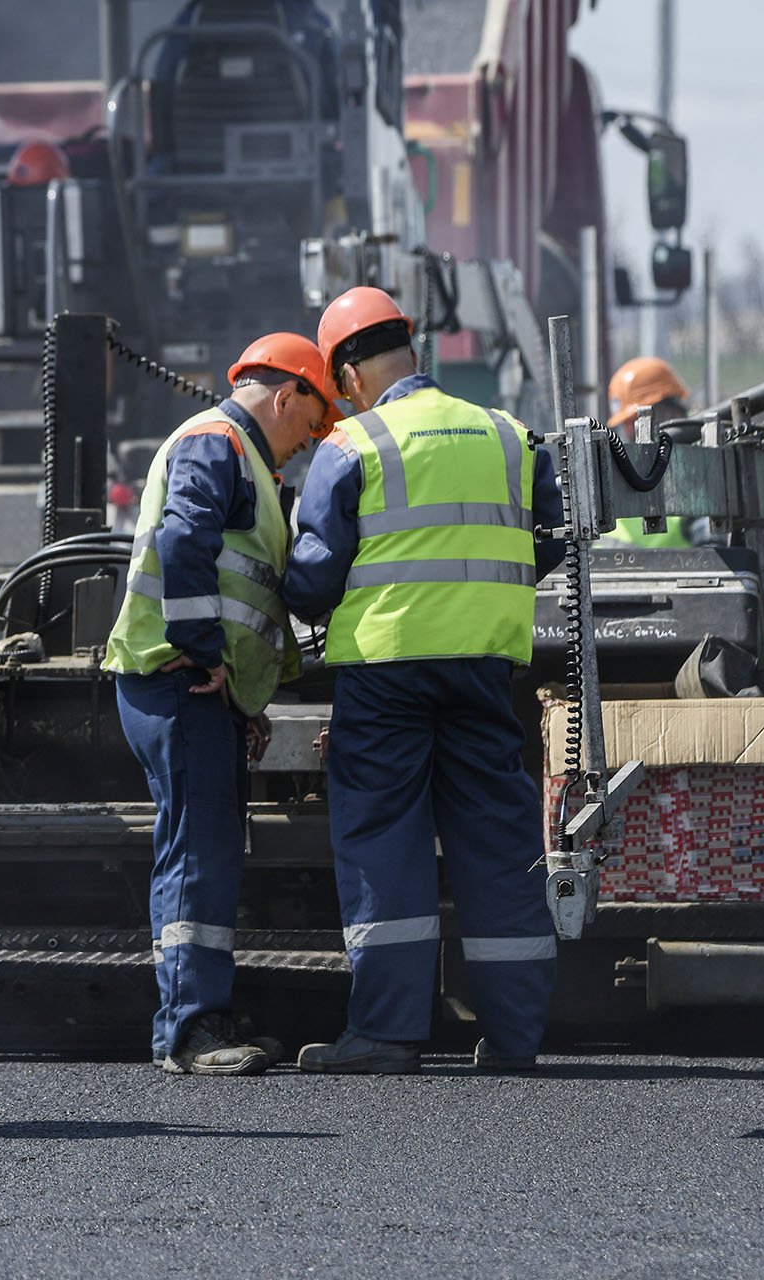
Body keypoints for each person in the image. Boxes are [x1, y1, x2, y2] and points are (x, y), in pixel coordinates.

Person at [283, 286, 566, 1075]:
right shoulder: (508, 435)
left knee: (383, 837)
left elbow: (310, 583)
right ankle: (515, 1038)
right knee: (498, 841)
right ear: (411, 348)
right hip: (483, 664)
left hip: (385, 671)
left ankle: (385, 1033)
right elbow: (545, 542)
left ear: (346, 374)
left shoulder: (353, 446)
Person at [103, 332, 339, 1076]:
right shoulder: (219, 444)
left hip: (193, 685)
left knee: (204, 852)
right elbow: (185, 540)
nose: (309, 442)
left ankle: (202, 1018)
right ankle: (189, 1032)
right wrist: (204, 651)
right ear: (286, 393)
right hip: (176, 677)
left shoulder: (245, 461)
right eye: (311, 421)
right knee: (196, 853)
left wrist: (240, 691)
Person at [602, 355, 696, 548]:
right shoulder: (619, 474)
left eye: (633, 419)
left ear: (669, 411)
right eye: (625, 423)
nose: (628, 431)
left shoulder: (699, 466)